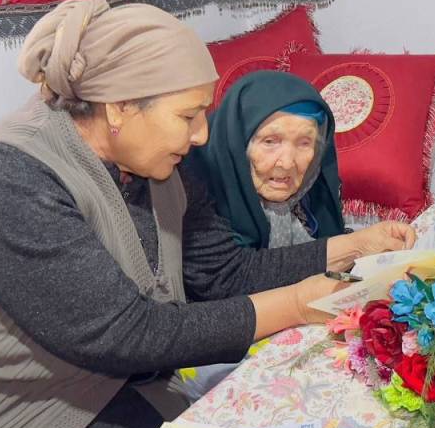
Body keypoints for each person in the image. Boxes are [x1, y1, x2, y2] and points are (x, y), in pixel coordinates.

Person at [0, 0, 412, 428]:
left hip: (117, 385)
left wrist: (355, 245)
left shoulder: (161, 166)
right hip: (5, 412)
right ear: (119, 107)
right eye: (187, 115)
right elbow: (127, 335)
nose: (202, 135)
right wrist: (300, 304)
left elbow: (223, 275)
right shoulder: (0, 177)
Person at [177, 70, 413, 398]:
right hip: (213, 337)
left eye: (304, 143)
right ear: (237, 140)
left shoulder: (309, 188)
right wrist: (353, 246)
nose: (287, 163)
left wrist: (364, 244)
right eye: (269, 141)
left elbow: (322, 241)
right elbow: (229, 278)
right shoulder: (193, 185)